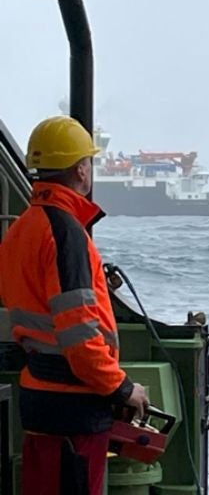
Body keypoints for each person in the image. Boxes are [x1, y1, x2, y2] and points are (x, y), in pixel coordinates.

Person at [0, 116, 148, 495]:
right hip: (73, 408)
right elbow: (79, 334)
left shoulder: (21, 228)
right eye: (89, 164)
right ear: (81, 169)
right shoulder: (66, 233)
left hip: (39, 399)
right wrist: (123, 388)